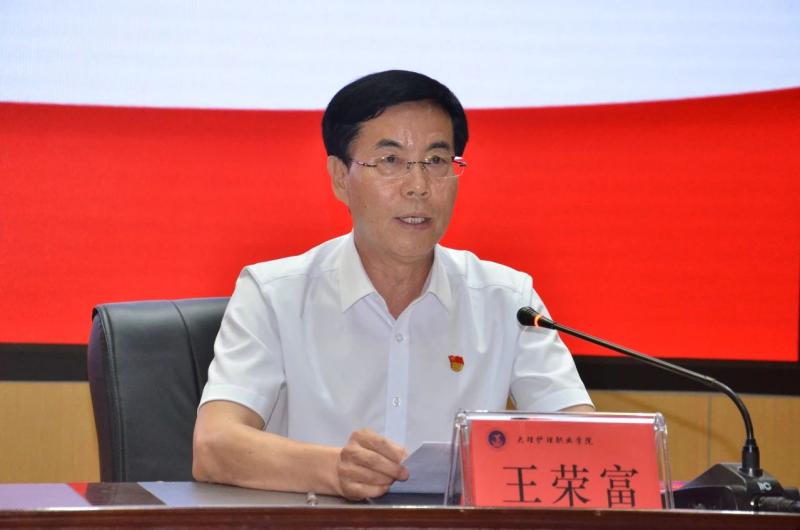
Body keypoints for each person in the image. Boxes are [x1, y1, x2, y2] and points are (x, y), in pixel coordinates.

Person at [192, 70, 594, 500]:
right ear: (340, 177)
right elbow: (213, 446)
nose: (418, 187)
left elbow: (589, 447)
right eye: (390, 161)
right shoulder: (274, 295)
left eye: (436, 161)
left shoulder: (508, 301)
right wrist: (333, 470)